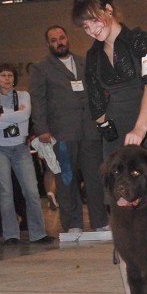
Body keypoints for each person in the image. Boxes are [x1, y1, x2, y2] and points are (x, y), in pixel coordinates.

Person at [71, 0, 147, 294]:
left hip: (144, 127)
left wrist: (140, 130)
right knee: (123, 222)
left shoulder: (139, 40)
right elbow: (94, 100)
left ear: (109, 11)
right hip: (115, 137)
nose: (90, 29)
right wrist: (104, 124)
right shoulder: (94, 56)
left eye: (93, 20)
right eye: (84, 26)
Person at [29, 25, 108, 234]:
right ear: (48, 44)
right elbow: (38, 101)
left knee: (95, 178)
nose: (59, 42)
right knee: (66, 179)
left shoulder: (84, 61)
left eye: (61, 38)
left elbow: (97, 93)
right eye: (53, 40)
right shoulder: (40, 68)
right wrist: (41, 129)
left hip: (90, 131)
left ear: (68, 38)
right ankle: (73, 224)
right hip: (61, 133)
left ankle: (100, 222)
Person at [0, 63, 53, 244]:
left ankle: (38, 233)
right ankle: (11, 234)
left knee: (32, 191)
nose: (7, 79)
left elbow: (24, 117)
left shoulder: (24, 95)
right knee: (5, 192)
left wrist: (0, 117)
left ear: (14, 78)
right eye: (2, 75)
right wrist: (13, 116)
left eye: (10, 75)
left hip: (21, 148)